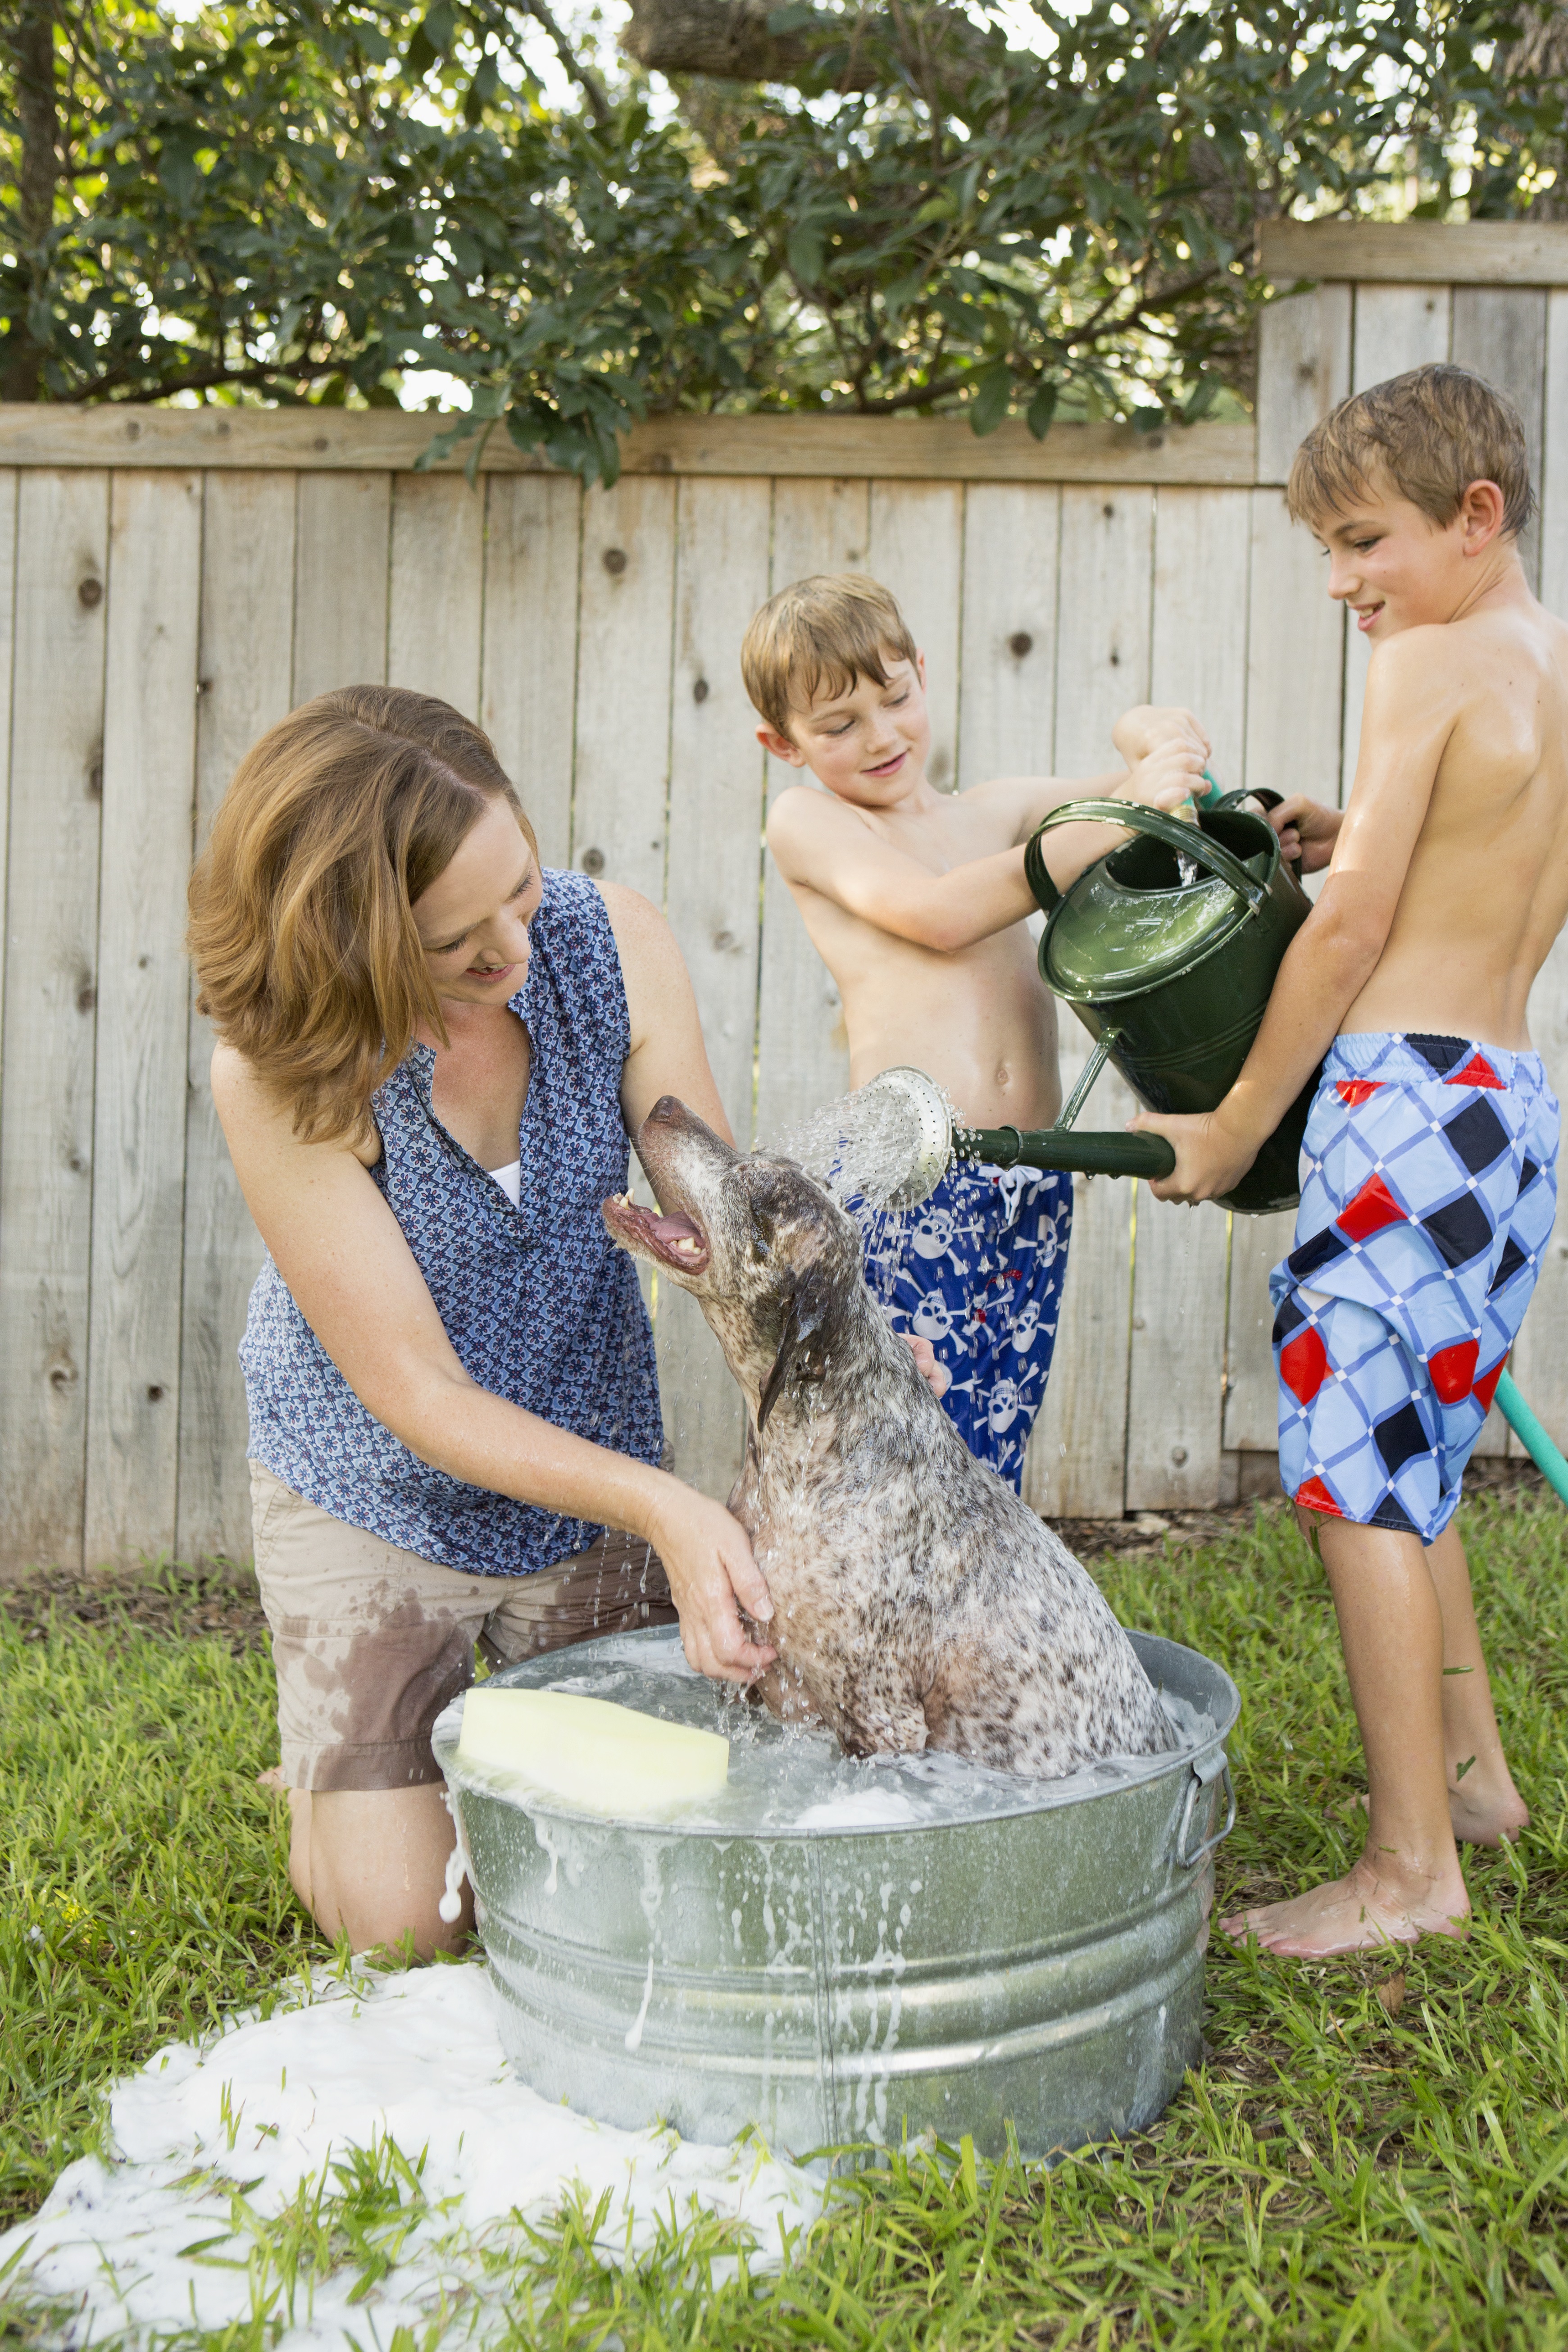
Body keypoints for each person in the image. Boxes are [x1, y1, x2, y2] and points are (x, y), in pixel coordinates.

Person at [192, 687, 788, 1962]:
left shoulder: (607, 939)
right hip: (377, 1489)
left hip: (585, 1472)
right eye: (456, 940)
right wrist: (674, 1509)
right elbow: (417, 1389)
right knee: (412, 1929)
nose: (514, 946)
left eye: (519, 886)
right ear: (349, 942)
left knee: (631, 1876)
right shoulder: (276, 1067)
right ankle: (342, 1771)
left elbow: (714, 1208)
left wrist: (830, 1339)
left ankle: (414, 1744)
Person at [1135, 363, 1568, 1958]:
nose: (1343, 584)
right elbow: (1472, 857)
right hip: (1505, 1104)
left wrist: (1241, 1119)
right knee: (1424, 1458)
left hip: (1398, 1097)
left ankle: (1406, 1879)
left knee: (1353, 1482)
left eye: (1365, 542)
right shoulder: (1544, 661)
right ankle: (1471, 1785)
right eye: (1325, 549)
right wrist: (1356, 822)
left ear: (1477, 517)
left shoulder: (1433, 662)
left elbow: (1358, 927)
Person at [744, 572, 1208, 1489]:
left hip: (1030, 1173)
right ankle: (862, 1619)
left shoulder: (989, 811)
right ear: (781, 743)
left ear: (923, 671)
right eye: (837, 726)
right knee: (907, 1443)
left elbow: (1129, 783)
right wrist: (1124, 813)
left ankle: (965, 1622)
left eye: (896, 697)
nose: (880, 736)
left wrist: (1158, 740)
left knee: (993, 1442)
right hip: (912, 1185)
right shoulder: (809, 820)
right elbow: (938, 913)